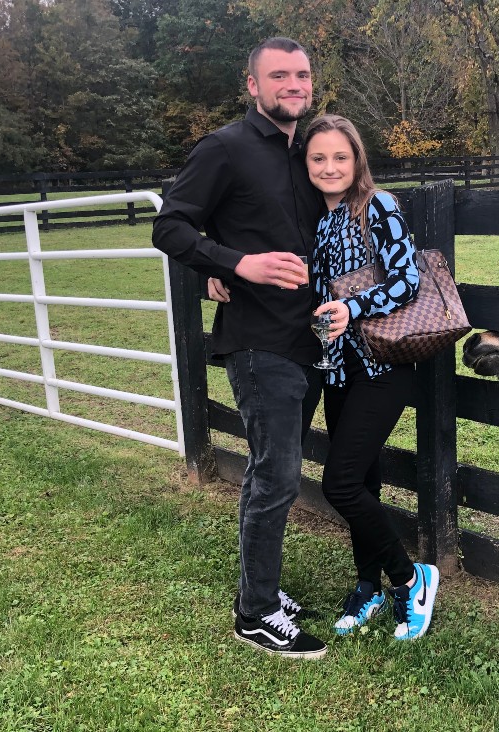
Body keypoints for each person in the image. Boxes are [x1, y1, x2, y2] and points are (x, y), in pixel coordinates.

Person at [151, 37, 327, 660]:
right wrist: (233, 264)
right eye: (279, 75)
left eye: (302, 74)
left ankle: (263, 590)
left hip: (311, 337)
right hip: (258, 340)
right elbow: (169, 226)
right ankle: (255, 615)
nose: (293, 84)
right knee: (277, 475)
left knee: (272, 470)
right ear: (252, 85)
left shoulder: (311, 150)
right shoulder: (223, 148)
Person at [305, 114, 441, 641]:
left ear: (357, 159)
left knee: (338, 483)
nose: (330, 167)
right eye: (319, 157)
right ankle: (368, 586)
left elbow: (407, 281)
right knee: (361, 480)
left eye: (340, 156)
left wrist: (351, 307)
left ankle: (411, 579)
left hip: (383, 365)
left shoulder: (377, 205)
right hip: (339, 370)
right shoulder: (317, 220)